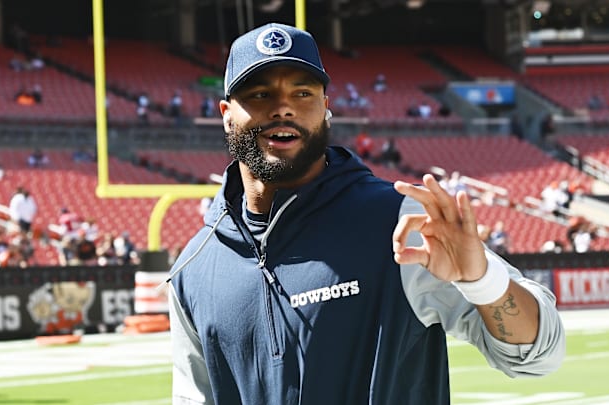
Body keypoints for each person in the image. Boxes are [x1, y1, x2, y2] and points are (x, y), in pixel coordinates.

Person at [166, 23, 565, 405]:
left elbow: (538, 354)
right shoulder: (194, 269)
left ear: (325, 107)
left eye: (302, 93)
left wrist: (482, 282)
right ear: (225, 112)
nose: (283, 108)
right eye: (260, 94)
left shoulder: (398, 222)